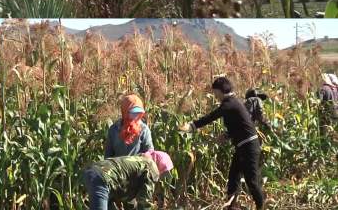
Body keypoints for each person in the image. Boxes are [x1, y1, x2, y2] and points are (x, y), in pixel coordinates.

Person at [179, 76, 265, 210]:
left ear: (220, 91)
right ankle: (232, 206)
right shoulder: (233, 104)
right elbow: (239, 125)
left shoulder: (229, 104)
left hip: (249, 147)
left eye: (215, 92)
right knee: (233, 178)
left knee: (252, 182)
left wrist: (193, 125)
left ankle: (261, 206)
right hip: (243, 146)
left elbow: (212, 116)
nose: (215, 96)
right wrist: (226, 135)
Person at [82, 150, 174, 210]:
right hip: (104, 177)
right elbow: (144, 202)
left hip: (93, 172)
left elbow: (129, 198)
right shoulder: (151, 166)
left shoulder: (138, 161)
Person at [105, 94, 153, 159]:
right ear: (124, 112)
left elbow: (149, 153)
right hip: (118, 168)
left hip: (138, 168)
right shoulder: (114, 129)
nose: (135, 116)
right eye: (133, 113)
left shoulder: (144, 129)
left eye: (138, 113)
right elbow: (108, 156)